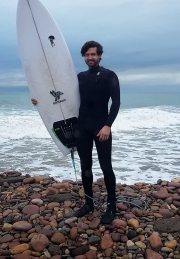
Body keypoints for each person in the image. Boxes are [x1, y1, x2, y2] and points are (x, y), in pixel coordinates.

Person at [31, 41, 120, 224]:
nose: (90, 58)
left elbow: (116, 103)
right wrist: (39, 100)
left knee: (106, 167)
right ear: (83, 57)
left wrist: (107, 126)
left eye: (93, 54)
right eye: (87, 55)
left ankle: (112, 206)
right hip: (82, 128)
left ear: (100, 55)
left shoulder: (109, 76)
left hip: (101, 127)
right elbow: (60, 96)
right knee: (85, 168)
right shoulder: (79, 77)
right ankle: (89, 204)